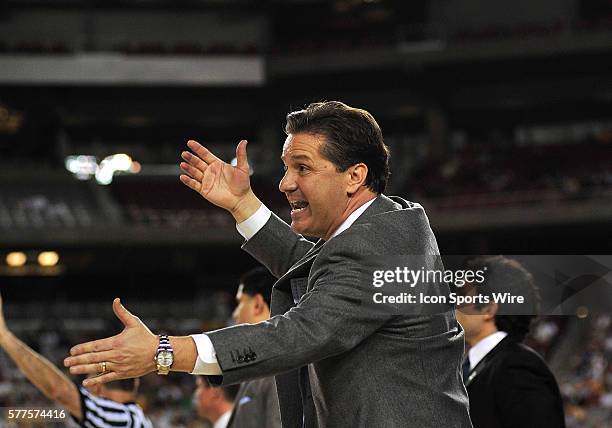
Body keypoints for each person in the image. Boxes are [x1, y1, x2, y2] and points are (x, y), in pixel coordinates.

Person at [64, 101, 472, 428]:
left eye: (303, 167)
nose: (285, 183)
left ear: (354, 176)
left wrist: (164, 351)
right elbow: (313, 271)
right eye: (285, 167)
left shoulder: (377, 245)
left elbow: (300, 333)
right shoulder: (384, 227)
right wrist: (243, 205)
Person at [0, 294, 152, 428]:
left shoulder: (121, 419)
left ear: (96, 386)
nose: (84, 389)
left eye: (87, 379)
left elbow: (59, 391)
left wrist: (4, 336)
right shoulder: (136, 418)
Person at [455, 256, 566, 428]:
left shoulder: (517, 367)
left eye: (462, 297)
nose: (453, 305)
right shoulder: (475, 366)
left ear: (488, 309)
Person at [228, 267, 281, 428]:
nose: (235, 314)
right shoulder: (262, 365)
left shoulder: (279, 367)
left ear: (257, 304)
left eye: (240, 302)